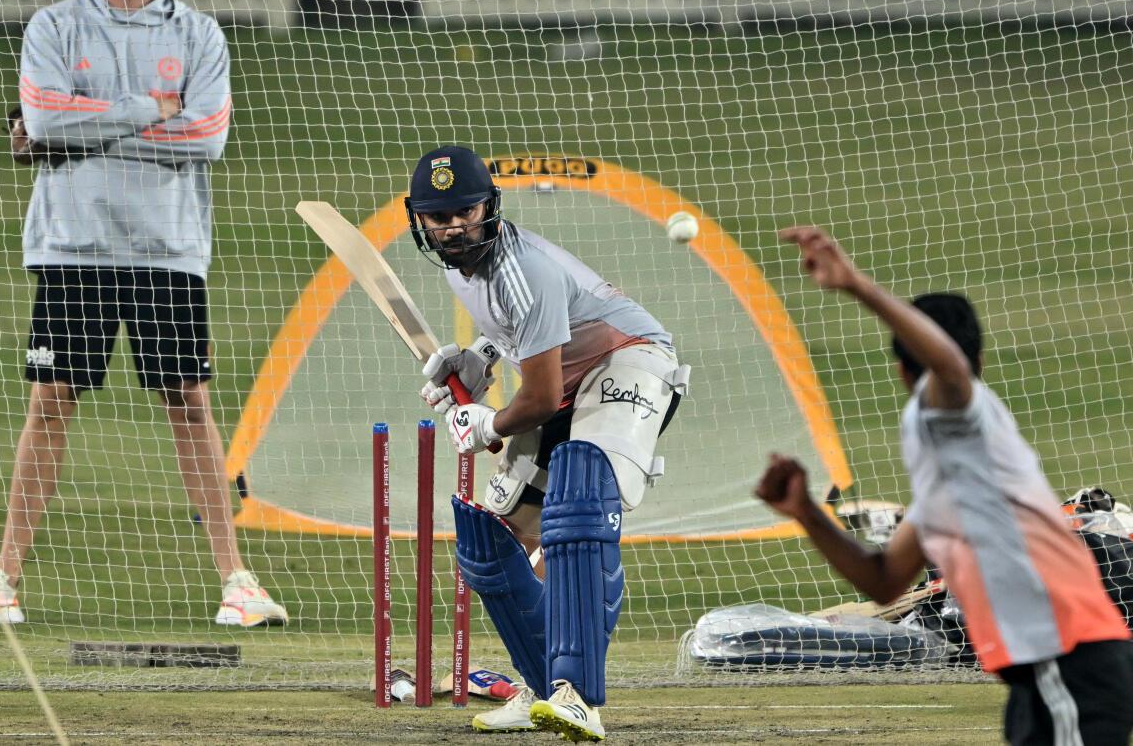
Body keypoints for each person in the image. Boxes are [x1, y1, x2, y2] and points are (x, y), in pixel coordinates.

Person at [0, 0, 287, 628]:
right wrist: (147, 110)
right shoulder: (54, 26)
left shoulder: (198, 34)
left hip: (167, 250)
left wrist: (84, 127)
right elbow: (40, 122)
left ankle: (237, 581)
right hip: (74, 246)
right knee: (50, 402)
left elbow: (207, 137)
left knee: (189, 403)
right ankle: (1, 581)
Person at [757, 226, 1132, 745]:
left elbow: (950, 370)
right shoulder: (954, 483)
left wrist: (857, 285)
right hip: (1043, 676)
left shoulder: (970, 414)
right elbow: (884, 580)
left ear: (901, 369)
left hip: (1072, 661)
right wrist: (805, 511)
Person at [408, 146, 688, 741]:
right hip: (567, 382)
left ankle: (577, 697)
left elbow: (534, 399)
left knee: (578, 504)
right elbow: (514, 329)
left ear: (489, 206)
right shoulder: (460, 266)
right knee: (495, 536)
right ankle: (542, 688)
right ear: (420, 220)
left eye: (466, 211)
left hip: (629, 360)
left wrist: (487, 425)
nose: (454, 227)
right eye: (440, 217)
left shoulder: (523, 270)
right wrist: (480, 357)